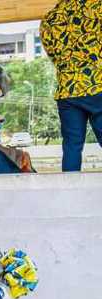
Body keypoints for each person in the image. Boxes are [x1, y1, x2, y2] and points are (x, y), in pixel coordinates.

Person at [41, 0, 102, 172]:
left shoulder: (50, 18)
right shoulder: (96, 6)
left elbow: (52, 54)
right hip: (96, 84)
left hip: (68, 90)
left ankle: (69, 192)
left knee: (72, 147)